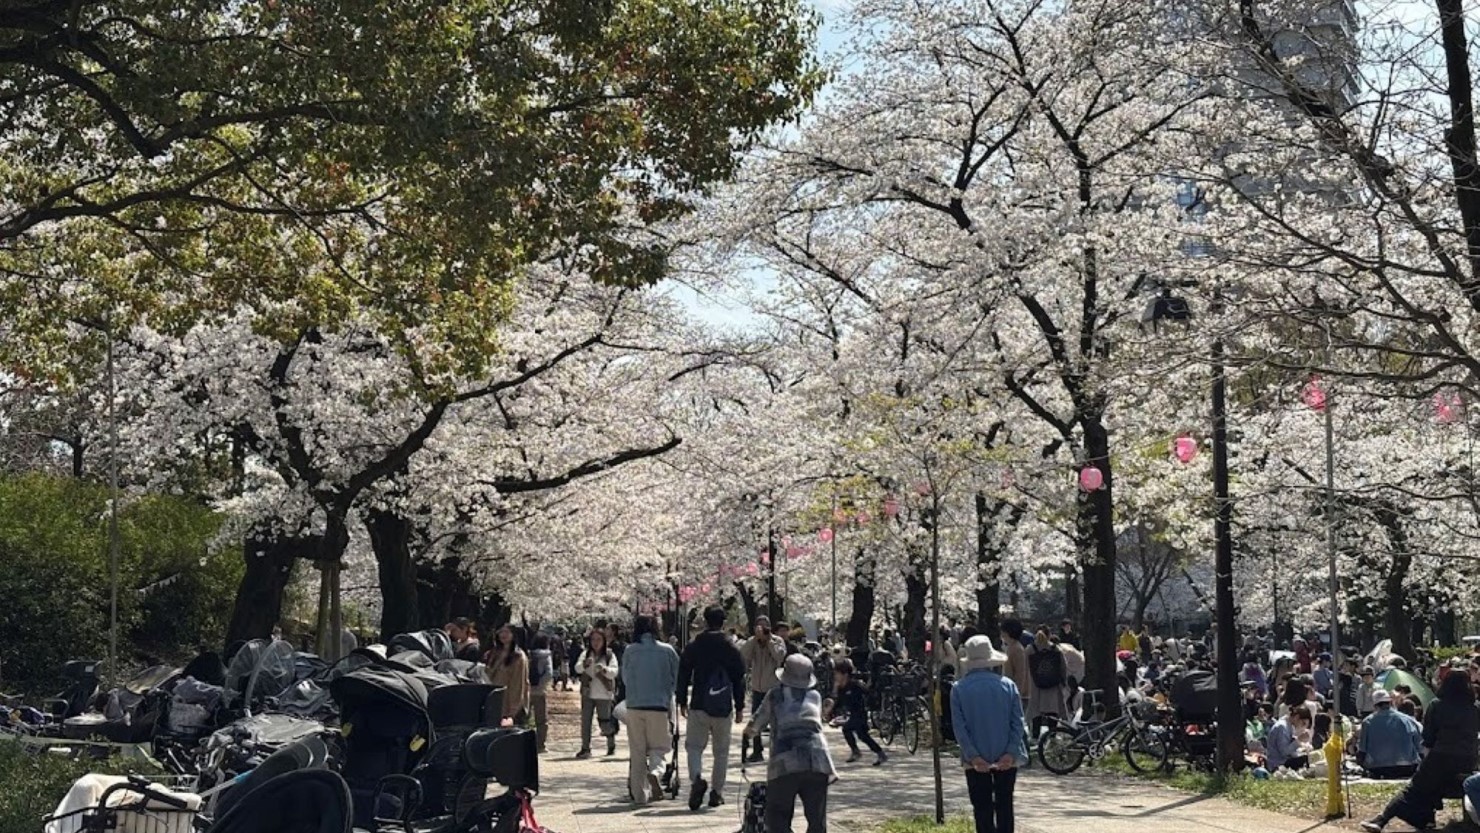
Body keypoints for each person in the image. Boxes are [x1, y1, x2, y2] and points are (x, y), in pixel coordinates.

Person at [1362, 669, 1480, 832]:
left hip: (1441, 756)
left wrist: (1427, 758)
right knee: (1434, 781)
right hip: (1468, 760)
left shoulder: (1437, 705)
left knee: (1415, 786)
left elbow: (1428, 737)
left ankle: (1382, 819)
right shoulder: (1475, 708)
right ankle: (1428, 820)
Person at [744, 654, 836, 833]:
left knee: (777, 817)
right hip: (818, 760)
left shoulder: (775, 695)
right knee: (817, 820)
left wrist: (747, 734)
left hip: (785, 763)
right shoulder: (815, 696)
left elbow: (756, 724)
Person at [951, 636, 1027, 833]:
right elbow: (1018, 722)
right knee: (1005, 805)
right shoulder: (1008, 685)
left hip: (975, 759)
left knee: (982, 808)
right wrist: (1010, 752)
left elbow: (959, 728)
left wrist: (973, 756)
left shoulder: (958, 689)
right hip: (1006, 755)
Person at [676, 606, 746, 811]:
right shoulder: (730, 647)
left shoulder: (695, 645)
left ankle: (697, 778)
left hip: (699, 703)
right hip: (723, 706)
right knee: (721, 752)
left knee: (694, 747)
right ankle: (717, 792)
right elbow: (739, 678)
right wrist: (739, 706)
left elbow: (683, 673)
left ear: (705, 621)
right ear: (723, 622)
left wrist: (682, 700)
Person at [620, 615, 680, 806]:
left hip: (634, 706)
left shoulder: (630, 650)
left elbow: (625, 678)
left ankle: (639, 796)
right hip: (658, 705)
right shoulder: (667, 650)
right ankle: (656, 772)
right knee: (660, 747)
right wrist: (668, 693)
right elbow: (676, 677)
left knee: (637, 751)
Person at [741, 615, 787, 763]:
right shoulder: (753, 642)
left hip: (772, 687)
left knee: (775, 721)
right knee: (755, 721)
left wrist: (768, 641)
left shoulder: (777, 641)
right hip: (757, 688)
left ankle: (777, 750)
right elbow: (744, 654)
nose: (762, 629)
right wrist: (755, 639)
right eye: (759, 626)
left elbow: (779, 656)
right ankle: (757, 750)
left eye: (765, 626)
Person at [827, 658, 885, 766]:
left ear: (845, 674)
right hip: (853, 714)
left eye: (837, 674)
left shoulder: (855, 685)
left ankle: (857, 752)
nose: (835, 676)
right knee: (863, 736)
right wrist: (831, 713)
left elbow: (868, 693)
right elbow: (839, 702)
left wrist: (873, 705)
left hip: (861, 714)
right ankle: (880, 753)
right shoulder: (841, 688)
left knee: (847, 729)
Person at [1358, 690, 1423, 779]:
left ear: (1375, 706)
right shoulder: (1408, 720)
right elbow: (1420, 747)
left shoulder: (1367, 722)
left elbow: (1362, 750)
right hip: (1407, 768)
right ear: (1391, 702)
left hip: (1378, 769)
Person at [575, 629, 620, 759]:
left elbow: (614, 672)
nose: (596, 642)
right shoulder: (585, 654)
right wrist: (584, 664)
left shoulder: (609, 655)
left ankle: (611, 743)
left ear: (604, 641)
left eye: (599, 639)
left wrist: (604, 669)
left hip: (604, 693)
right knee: (586, 721)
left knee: (604, 722)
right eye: (593, 639)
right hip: (587, 692)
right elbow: (577, 668)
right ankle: (585, 748)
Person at [485, 625, 530, 723]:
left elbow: (518, 684)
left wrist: (512, 712)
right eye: (501, 632)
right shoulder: (495, 653)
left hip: (508, 699)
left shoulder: (518, 657)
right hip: (493, 698)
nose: (503, 635)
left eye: (507, 632)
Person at [1025, 630, 1066, 736]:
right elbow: (1063, 667)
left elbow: (1025, 668)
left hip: (1035, 685)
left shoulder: (1030, 649)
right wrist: (1063, 682)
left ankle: (1035, 736)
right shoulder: (1056, 649)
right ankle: (1052, 736)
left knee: (1036, 712)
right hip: (1053, 685)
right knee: (1053, 710)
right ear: (1049, 635)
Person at [999, 620, 1033, 727]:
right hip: (1012, 692)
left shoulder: (1017, 649)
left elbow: (1021, 674)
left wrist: (1017, 694)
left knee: (1016, 724)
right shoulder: (1011, 647)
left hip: (1018, 694)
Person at [1264, 705, 1312, 771]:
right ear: (1297, 717)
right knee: (1306, 759)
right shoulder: (1282, 727)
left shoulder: (1288, 725)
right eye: (1303, 723)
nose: (1302, 727)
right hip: (1278, 763)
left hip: (1283, 760)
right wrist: (1299, 740)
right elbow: (1284, 752)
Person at [528, 634, 554, 752]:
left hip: (526, 690)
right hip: (539, 692)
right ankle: (540, 744)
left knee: (524, 717)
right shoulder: (546, 655)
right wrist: (541, 685)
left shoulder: (528, 654)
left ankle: (524, 742)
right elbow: (549, 673)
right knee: (541, 720)